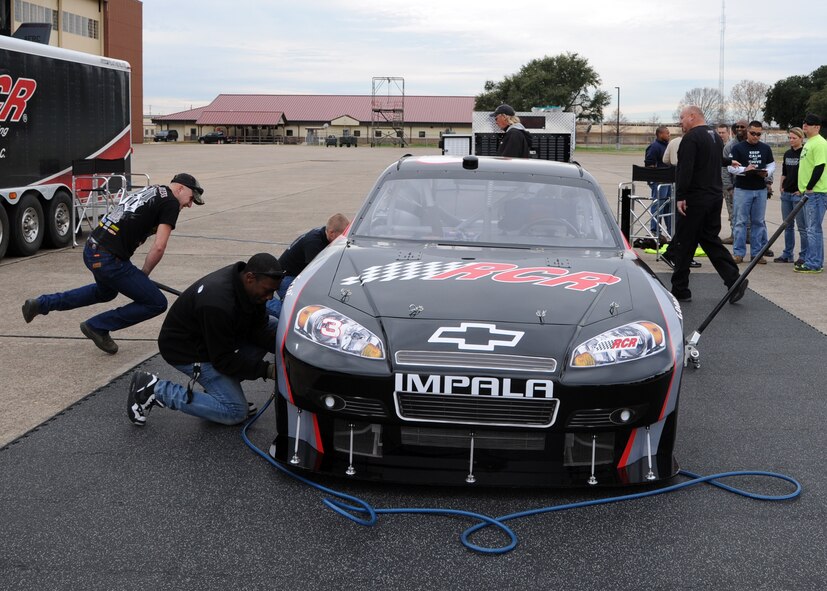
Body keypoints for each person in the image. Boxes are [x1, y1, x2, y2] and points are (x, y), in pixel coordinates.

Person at [21, 173, 204, 354]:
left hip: (93, 248)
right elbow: (159, 247)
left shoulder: (153, 189)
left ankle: (41, 304)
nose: (189, 204)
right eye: (190, 199)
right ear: (180, 188)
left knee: (105, 292)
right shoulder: (171, 202)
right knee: (156, 302)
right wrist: (144, 273)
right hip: (108, 258)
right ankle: (97, 326)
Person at [126, 253, 283, 427]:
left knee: (275, 326)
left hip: (215, 338)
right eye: (268, 291)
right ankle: (153, 389)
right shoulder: (217, 303)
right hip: (188, 350)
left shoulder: (251, 287)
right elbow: (223, 360)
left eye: (274, 291)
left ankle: (217, 393)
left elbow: (258, 330)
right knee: (235, 412)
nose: (270, 297)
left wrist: (287, 353)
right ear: (250, 278)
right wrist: (268, 371)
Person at [669, 105, 746, 304]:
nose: (680, 122)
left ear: (692, 117)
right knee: (710, 240)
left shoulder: (691, 138)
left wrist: (681, 196)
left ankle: (680, 289)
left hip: (695, 199)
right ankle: (733, 279)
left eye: (682, 117)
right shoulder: (714, 136)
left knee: (684, 243)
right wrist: (729, 161)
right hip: (713, 198)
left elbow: (685, 169)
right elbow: (712, 160)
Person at [266, 213, 350, 318]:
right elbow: (315, 275)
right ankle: (266, 302)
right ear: (331, 233)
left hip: (297, 274)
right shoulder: (314, 243)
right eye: (342, 237)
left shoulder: (325, 234)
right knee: (292, 314)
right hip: (286, 277)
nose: (344, 240)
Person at [728, 121, 775, 264]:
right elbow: (730, 167)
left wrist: (767, 173)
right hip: (743, 189)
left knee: (758, 222)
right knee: (740, 222)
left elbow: (771, 164)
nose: (755, 136)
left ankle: (757, 254)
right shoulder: (738, 148)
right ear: (747, 132)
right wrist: (744, 170)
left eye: (759, 134)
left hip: (760, 190)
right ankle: (738, 253)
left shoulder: (766, 148)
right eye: (753, 133)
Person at [795, 113, 827, 274]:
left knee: (813, 229)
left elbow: (820, 166)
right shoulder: (809, 142)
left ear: (817, 127)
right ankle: (813, 260)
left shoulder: (820, 143)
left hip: (816, 193)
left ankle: (814, 263)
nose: (805, 125)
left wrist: (809, 186)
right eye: (804, 122)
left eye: (809, 123)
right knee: (811, 228)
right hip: (809, 193)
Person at [776, 127, 807, 264]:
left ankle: (804, 255)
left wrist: (802, 190)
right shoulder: (787, 153)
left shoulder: (805, 153)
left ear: (801, 138)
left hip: (798, 194)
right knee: (787, 226)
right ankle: (788, 254)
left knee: (802, 227)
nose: (791, 140)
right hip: (786, 194)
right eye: (790, 138)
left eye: (794, 138)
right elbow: (784, 171)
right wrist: (781, 185)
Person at [644, 125, 672, 235]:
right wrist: (653, 180)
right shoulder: (654, 147)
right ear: (660, 134)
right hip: (659, 181)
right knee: (658, 205)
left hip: (668, 180)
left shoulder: (667, 146)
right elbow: (649, 164)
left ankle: (670, 231)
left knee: (668, 207)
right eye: (667, 133)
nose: (669, 135)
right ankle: (655, 231)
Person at [716, 123, 735, 243]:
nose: (721, 135)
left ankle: (734, 234)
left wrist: (728, 186)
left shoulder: (730, 146)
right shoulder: (715, 145)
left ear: (728, 133)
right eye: (719, 133)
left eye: (723, 132)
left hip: (728, 184)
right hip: (716, 184)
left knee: (732, 210)